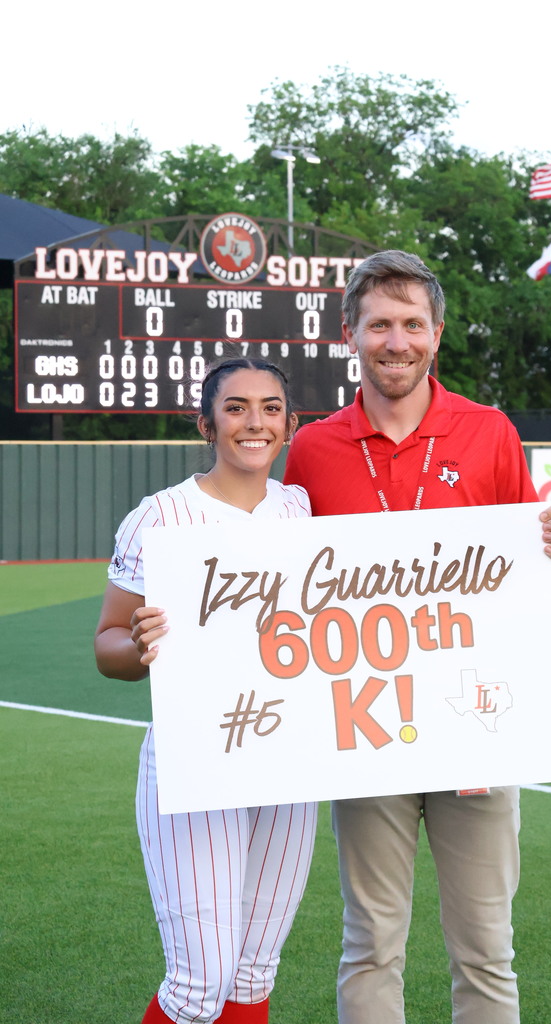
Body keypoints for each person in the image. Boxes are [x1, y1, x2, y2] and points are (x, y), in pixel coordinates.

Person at [283, 250, 551, 1024]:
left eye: (412, 324)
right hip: (365, 726)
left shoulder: (488, 432)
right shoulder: (312, 448)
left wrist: (549, 540)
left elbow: (528, 562)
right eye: (379, 324)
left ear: (437, 335)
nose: (396, 341)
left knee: (485, 947)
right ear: (350, 334)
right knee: (369, 943)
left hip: (476, 726)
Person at [94, 358, 317, 1024]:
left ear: (289, 423)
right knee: (199, 986)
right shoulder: (161, 516)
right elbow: (108, 647)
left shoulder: (301, 510)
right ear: (207, 422)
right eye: (237, 407)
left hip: (288, 762)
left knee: (251, 975)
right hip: (196, 763)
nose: (255, 422)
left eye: (271, 407)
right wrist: (139, 642)